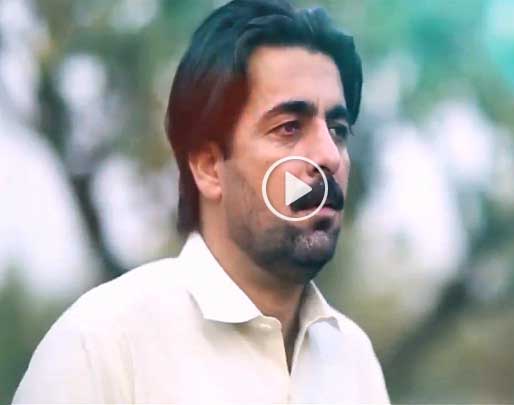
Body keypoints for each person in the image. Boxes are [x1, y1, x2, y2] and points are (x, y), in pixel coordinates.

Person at [13, 0, 390, 403]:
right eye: (289, 128)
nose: (329, 156)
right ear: (209, 167)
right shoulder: (102, 346)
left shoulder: (352, 358)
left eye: (338, 129)